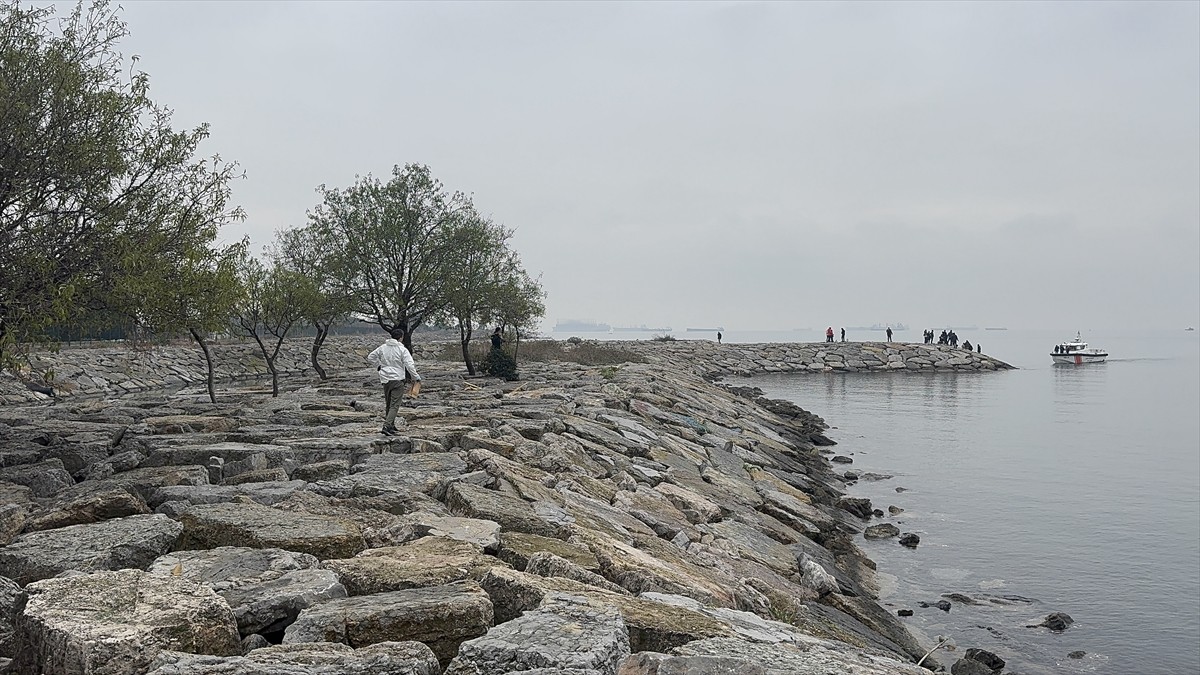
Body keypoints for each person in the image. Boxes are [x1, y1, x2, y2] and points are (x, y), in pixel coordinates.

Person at [367, 327, 422, 436]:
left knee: (388, 403)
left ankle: (391, 425)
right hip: (397, 379)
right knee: (395, 405)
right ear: (401, 337)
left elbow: (370, 357)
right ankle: (387, 425)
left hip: (385, 379)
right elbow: (409, 365)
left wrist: (378, 366)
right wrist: (416, 377)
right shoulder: (402, 350)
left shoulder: (382, 348)